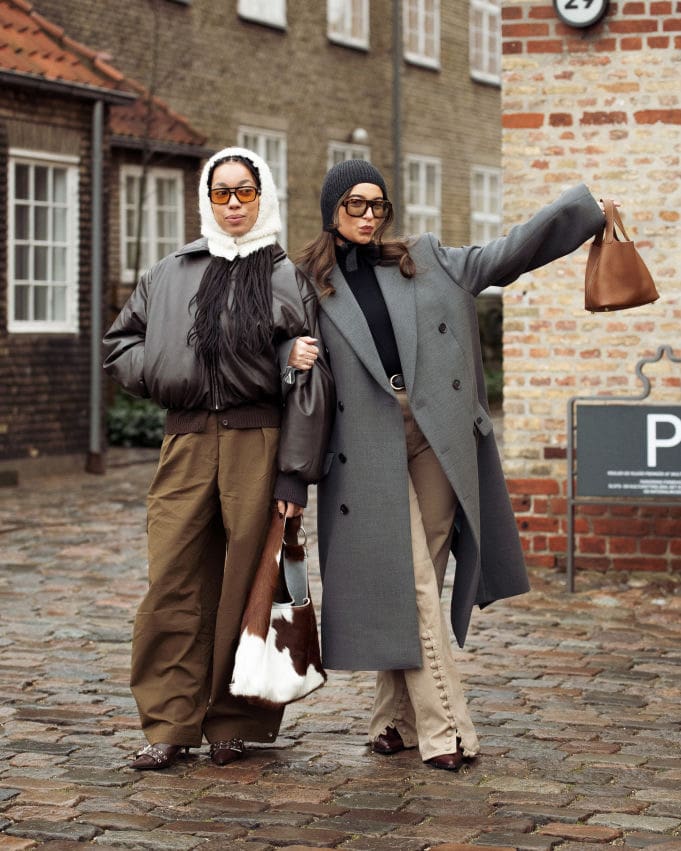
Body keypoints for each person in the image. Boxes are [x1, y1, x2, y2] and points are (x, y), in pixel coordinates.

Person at [296, 159, 606, 771]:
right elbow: (273, 345)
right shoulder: (304, 283)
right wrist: (290, 351)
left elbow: (507, 254)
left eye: (376, 205)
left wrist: (585, 210)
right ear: (331, 209)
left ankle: (391, 719)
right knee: (410, 579)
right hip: (364, 448)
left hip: (436, 435)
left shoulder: (425, 257)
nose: (366, 217)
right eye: (354, 205)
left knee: (420, 578)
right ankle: (449, 730)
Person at [102, 146, 333, 770]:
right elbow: (121, 342)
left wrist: (294, 473)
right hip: (185, 442)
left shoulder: (286, 277)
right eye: (221, 193)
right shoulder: (169, 272)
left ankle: (234, 722)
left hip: (257, 440)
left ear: (263, 197)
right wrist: (162, 369)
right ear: (207, 199)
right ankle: (169, 724)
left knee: (246, 584)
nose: (233, 205)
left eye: (245, 192)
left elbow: (312, 382)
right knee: (173, 579)